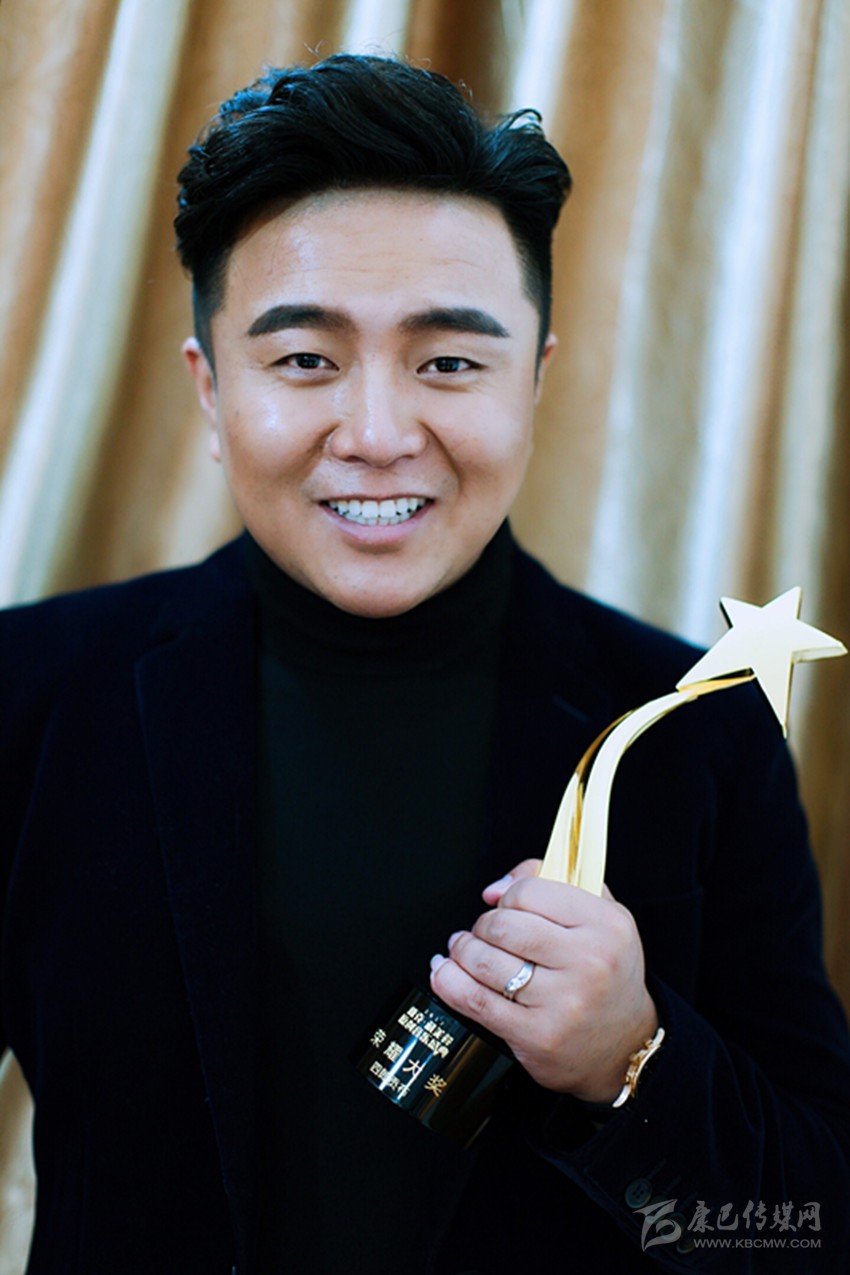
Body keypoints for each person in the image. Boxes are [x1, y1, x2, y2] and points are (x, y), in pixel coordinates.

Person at [1, 52, 848, 1275]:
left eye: (448, 362)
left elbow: (804, 1232)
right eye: (305, 360)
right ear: (211, 391)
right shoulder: (32, 696)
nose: (379, 434)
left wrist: (633, 1059)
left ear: (534, 380)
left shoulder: (691, 725)